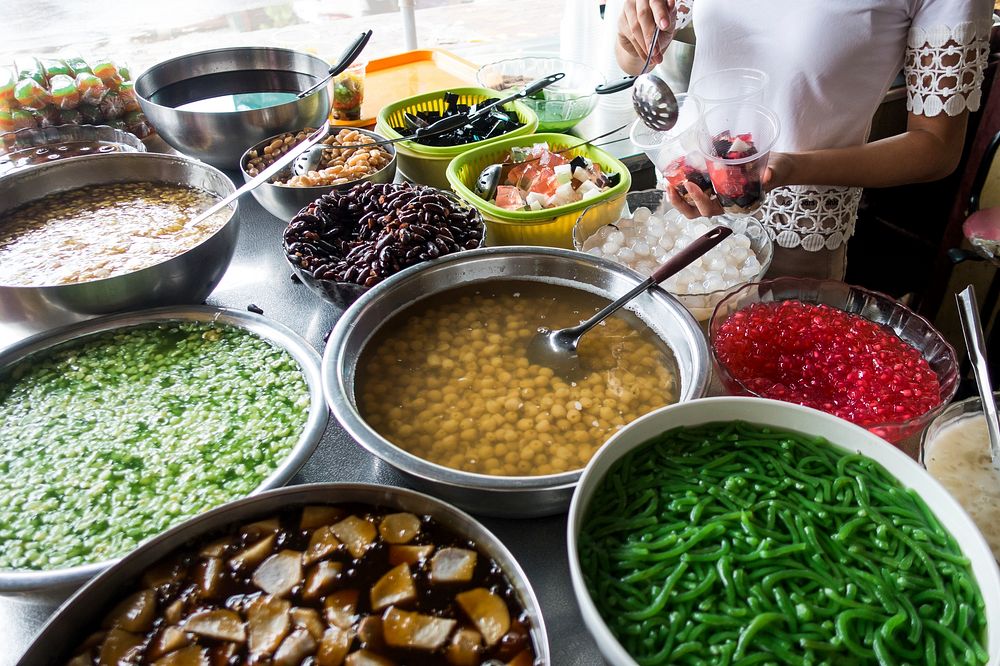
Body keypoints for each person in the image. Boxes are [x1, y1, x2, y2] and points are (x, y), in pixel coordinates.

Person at [616, 0, 993, 280]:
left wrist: (792, 166)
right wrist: (633, 38)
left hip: (793, 244)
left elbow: (937, 148)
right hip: (680, 217)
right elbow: (635, 60)